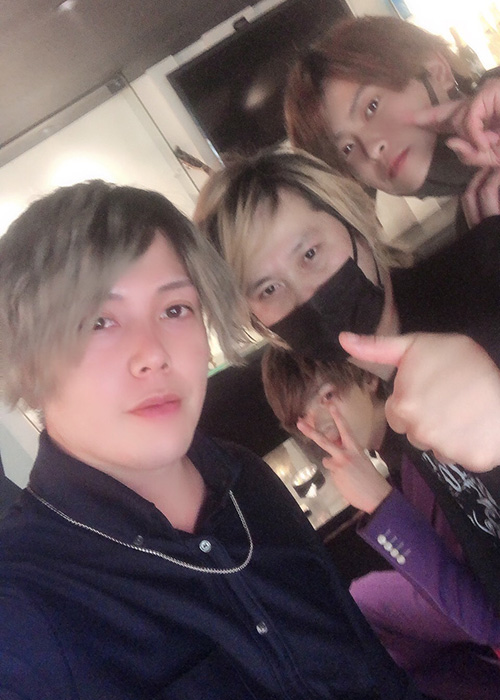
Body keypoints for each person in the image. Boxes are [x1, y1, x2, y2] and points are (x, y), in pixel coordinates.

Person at [0, 179, 429, 700]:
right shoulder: (24, 608)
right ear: (28, 360)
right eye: (99, 321)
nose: (153, 353)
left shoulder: (246, 478)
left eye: (175, 309)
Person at [194, 147, 500, 612]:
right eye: (269, 288)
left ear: (355, 221)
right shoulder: (396, 416)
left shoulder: (485, 275)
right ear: (260, 324)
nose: (306, 294)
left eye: (310, 253)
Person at [261, 344, 500, 700]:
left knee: (365, 605)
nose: (318, 423)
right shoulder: (404, 446)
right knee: (368, 609)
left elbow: (488, 618)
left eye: (327, 396)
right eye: (301, 418)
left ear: (367, 377)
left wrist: (381, 504)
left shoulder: (427, 441)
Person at [284, 15, 500, 228]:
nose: (372, 150)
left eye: (372, 107)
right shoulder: (480, 230)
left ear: (436, 71)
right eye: (347, 148)